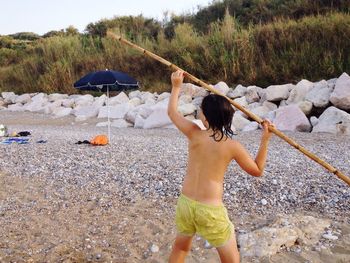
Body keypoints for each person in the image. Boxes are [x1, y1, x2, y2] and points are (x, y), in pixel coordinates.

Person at [167, 70, 275, 263]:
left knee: (181, 247)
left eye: (201, 110)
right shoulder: (232, 146)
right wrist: (265, 140)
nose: (198, 112)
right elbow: (257, 170)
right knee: (232, 260)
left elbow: (172, 113)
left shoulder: (194, 133)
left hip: (185, 204)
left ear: (206, 118)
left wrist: (176, 87)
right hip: (210, 210)